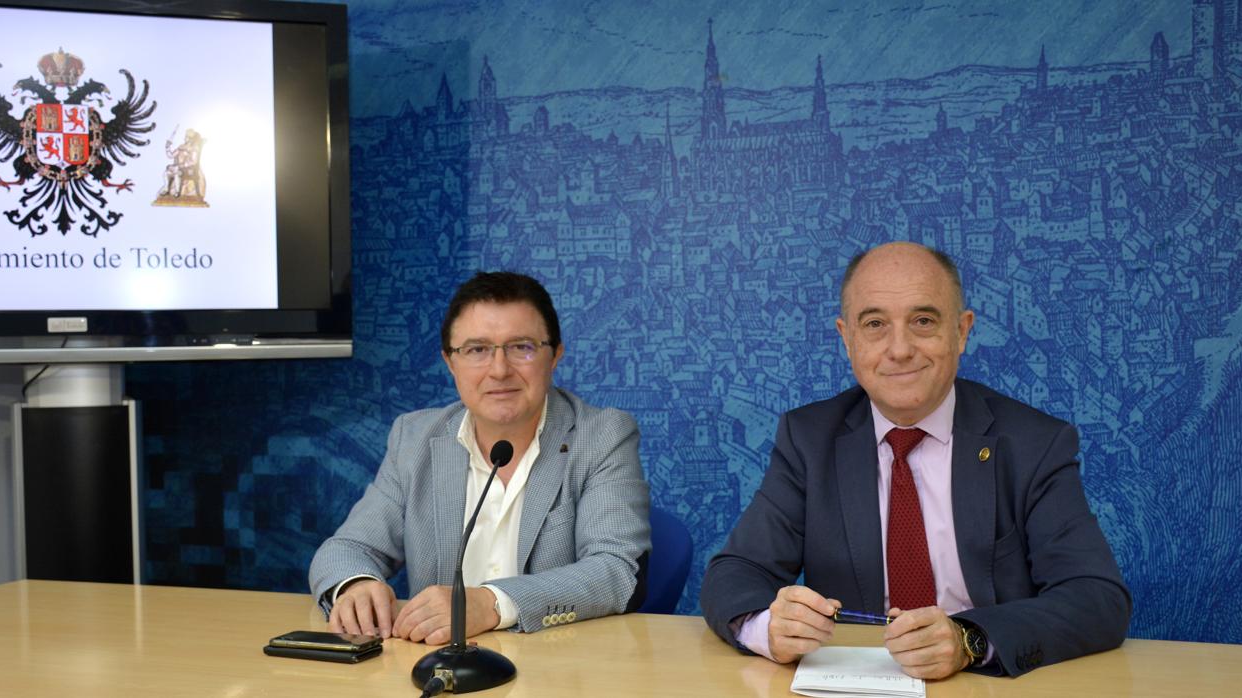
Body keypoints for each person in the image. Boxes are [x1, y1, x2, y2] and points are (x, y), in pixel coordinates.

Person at [700, 242, 1130, 678]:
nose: (900, 349)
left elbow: (1095, 596)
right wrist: (768, 628)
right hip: (854, 686)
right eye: (875, 324)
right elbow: (736, 572)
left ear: (961, 331)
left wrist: (968, 640)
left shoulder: (1033, 444)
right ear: (847, 338)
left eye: (923, 321)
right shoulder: (809, 440)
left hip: (984, 683)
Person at [310, 271, 651, 643]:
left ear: (554, 355)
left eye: (521, 347)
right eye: (477, 350)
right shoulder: (415, 439)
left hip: (558, 664)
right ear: (450, 362)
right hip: (436, 663)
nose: (499, 370)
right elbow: (348, 548)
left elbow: (616, 570)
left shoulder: (601, 437)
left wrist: (492, 604)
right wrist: (356, 585)